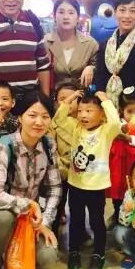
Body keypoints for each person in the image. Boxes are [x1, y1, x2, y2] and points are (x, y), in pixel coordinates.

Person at [0, 92, 62, 269]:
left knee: (48, 257)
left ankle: (13, 255)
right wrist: (29, 204)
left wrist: (45, 222)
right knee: (3, 219)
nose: (39, 122)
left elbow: (55, 188)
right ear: (20, 117)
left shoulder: (49, 145)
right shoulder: (3, 146)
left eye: (45, 116)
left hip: (30, 220)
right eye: (32, 115)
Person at [53, 89, 121, 269]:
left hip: (96, 187)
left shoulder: (106, 131)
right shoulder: (76, 128)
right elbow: (58, 119)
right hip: (76, 185)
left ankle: (98, 254)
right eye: (81, 110)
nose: (83, 115)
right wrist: (70, 99)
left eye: (89, 111)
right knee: (75, 220)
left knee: (96, 221)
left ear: (101, 115)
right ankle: (74, 252)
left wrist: (105, 100)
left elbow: (116, 122)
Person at [94, 0, 135, 116]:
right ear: (115, 12)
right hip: (106, 110)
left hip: (133, 112)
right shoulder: (105, 45)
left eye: (132, 11)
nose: (127, 16)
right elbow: (100, 78)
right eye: (122, 10)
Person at [108, 87, 135, 226]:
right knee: (118, 188)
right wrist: (124, 129)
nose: (134, 115)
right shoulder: (119, 124)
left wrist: (129, 138)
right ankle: (117, 214)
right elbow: (116, 130)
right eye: (129, 111)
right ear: (122, 110)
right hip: (120, 163)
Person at [49, 79, 81, 230]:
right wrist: (60, 166)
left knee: (77, 205)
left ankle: (80, 232)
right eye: (62, 99)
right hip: (60, 168)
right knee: (58, 202)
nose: (67, 103)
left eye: (73, 99)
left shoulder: (83, 121)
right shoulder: (56, 121)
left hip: (79, 170)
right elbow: (51, 148)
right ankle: (53, 231)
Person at [45, 0, 98, 88]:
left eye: (71, 13)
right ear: (54, 16)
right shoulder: (44, 43)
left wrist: (92, 68)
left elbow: (100, 69)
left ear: (77, 18)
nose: (66, 17)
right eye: (61, 12)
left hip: (81, 94)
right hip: (53, 95)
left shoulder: (90, 44)